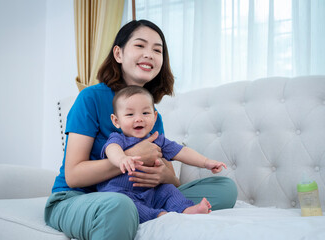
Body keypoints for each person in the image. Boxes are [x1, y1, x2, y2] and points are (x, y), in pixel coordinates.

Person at [44, 19, 238, 240]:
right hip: (76, 197)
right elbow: (74, 176)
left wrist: (166, 175)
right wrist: (131, 156)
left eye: (157, 50)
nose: (149, 54)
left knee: (225, 188)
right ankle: (145, 213)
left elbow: (168, 176)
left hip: (143, 197)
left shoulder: (152, 115)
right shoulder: (90, 98)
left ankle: (155, 212)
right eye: (140, 45)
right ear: (118, 54)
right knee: (119, 206)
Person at [99, 85, 228, 223]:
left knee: (168, 189)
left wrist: (206, 162)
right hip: (120, 192)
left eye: (145, 113)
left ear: (155, 117)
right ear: (116, 121)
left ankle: (187, 210)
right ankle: (159, 216)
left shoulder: (157, 139)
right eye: (130, 114)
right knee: (126, 205)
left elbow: (181, 151)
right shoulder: (118, 138)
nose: (139, 119)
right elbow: (111, 149)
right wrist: (122, 159)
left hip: (150, 193)